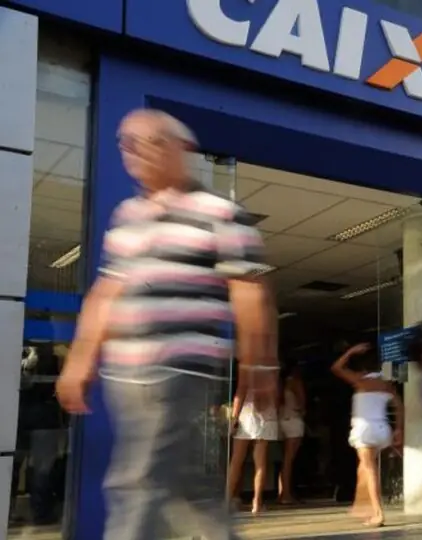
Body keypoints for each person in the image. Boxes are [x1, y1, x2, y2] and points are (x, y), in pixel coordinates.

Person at [55, 109, 277, 540]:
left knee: (139, 479)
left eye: (150, 140)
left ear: (183, 148)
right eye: (126, 143)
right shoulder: (127, 215)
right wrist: (80, 358)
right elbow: (106, 292)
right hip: (124, 374)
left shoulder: (220, 212)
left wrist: (259, 363)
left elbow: (250, 292)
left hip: (179, 368)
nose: (134, 151)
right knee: (186, 486)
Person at [331, 342, 403, 527]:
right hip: (382, 429)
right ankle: (363, 505)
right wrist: (398, 429)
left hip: (364, 430)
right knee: (364, 467)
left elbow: (336, 368)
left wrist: (350, 352)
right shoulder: (387, 384)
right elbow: (399, 406)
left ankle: (378, 513)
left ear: (362, 367)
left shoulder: (360, 380)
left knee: (369, 470)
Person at [227, 377, 278, 514]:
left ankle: (227, 499)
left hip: (246, 416)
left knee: (236, 461)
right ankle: (257, 502)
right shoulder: (270, 374)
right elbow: (276, 398)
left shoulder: (248, 373)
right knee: (260, 463)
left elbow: (240, 393)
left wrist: (234, 418)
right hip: (265, 418)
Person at [278, 362, 306, 505]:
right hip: (294, 420)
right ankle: (286, 494)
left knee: (285, 459)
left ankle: (282, 492)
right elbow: (302, 403)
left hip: (283, 419)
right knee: (290, 459)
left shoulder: (280, 384)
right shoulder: (296, 382)